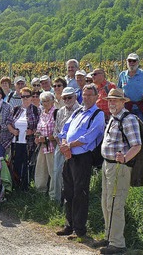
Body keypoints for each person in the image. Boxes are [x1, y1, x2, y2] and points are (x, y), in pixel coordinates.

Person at [56, 84, 105, 239]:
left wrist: (69, 145)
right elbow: (65, 129)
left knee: (80, 193)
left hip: (83, 158)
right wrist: (64, 144)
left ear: (96, 97)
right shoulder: (78, 111)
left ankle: (79, 229)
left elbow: (89, 137)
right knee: (68, 191)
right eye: (84, 95)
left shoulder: (98, 114)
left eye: (90, 95)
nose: (86, 98)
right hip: (69, 156)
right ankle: (68, 225)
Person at [96, 89, 141, 254]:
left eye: (115, 100)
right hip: (107, 165)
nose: (111, 103)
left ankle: (118, 244)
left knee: (115, 204)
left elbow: (137, 145)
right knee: (106, 202)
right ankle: (109, 237)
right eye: (109, 100)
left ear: (123, 102)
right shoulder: (114, 118)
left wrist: (125, 158)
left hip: (118, 168)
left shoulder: (128, 119)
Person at [51, 87, 81, 203]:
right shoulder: (60, 111)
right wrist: (60, 144)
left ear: (75, 97)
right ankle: (57, 200)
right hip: (60, 146)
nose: (67, 99)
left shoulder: (80, 111)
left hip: (75, 147)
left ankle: (71, 201)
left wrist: (69, 145)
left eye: (69, 97)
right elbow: (56, 130)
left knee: (72, 175)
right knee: (57, 172)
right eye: (65, 98)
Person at [7, 87, 39, 191]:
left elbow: (40, 126)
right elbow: (8, 123)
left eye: (27, 96)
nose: (25, 98)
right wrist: (12, 130)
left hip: (28, 142)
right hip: (16, 141)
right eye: (23, 96)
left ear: (31, 97)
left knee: (26, 164)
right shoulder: (16, 109)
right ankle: (15, 186)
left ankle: (25, 187)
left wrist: (32, 131)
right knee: (15, 163)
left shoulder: (36, 110)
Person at [118, 53, 143, 131]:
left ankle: (142, 143)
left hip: (139, 106)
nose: (131, 63)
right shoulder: (122, 75)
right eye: (129, 61)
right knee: (126, 128)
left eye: (134, 61)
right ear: (127, 62)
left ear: (138, 62)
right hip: (126, 106)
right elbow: (119, 89)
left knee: (141, 128)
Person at [34, 92, 57, 194]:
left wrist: (47, 138)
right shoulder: (42, 113)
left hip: (52, 146)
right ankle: (40, 192)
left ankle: (54, 195)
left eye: (48, 101)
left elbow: (58, 132)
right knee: (41, 170)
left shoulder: (56, 112)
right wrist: (37, 136)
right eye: (43, 101)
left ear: (53, 101)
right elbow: (40, 128)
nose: (46, 103)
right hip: (42, 146)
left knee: (53, 171)